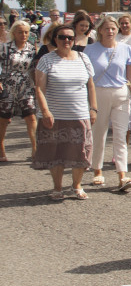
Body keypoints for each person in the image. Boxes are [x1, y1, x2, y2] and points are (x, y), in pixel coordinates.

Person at [32, 24, 98, 201]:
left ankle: (77, 185)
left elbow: (90, 85)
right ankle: (57, 187)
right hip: (54, 116)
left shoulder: (83, 58)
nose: (66, 40)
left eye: (70, 37)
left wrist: (93, 108)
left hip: (79, 114)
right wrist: (45, 111)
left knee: (80, 152)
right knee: (56, 153)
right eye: (62, 37)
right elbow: (39, 88)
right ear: (55, 39)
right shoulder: (47, 60)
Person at [84, 16, 131, 191]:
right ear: (100, 31)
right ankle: (97, 171)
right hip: (99, 93)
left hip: (121, 93)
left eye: (113, 28)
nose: (110, 32)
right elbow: (86, 77)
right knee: (99, 133)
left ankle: (122, 175)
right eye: (107, 29)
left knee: (121, 135)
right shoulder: (90, 50)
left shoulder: (125, 48)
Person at [0, 21, 38, 162]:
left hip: (25, 85)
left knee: (31, 116)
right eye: (20, 32)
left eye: (26, 32)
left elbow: (33, 68)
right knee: (4, 119)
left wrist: (37, 85)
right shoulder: (5, 48)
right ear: (14, 33)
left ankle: (35, 150)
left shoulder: (31, 49)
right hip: (7, 85)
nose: (23, 35)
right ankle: (1, 148)